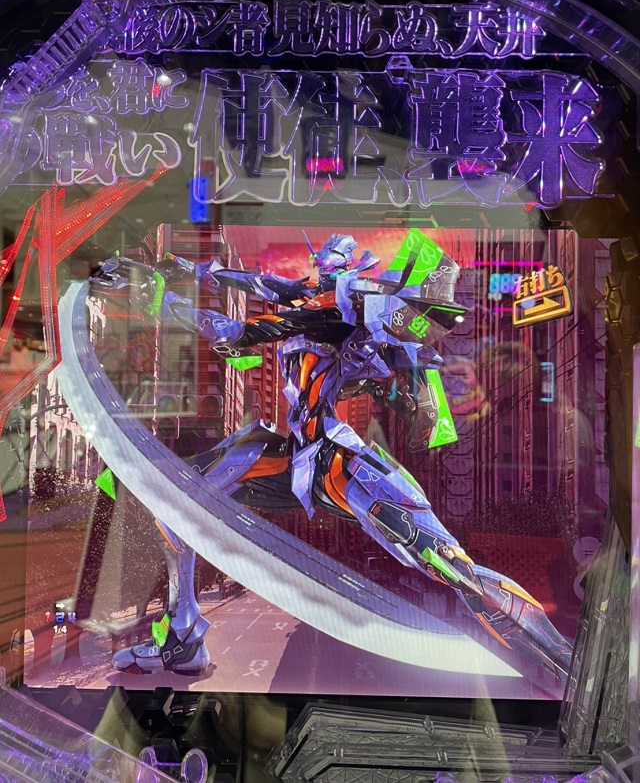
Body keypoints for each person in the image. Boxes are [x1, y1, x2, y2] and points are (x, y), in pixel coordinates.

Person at [92, 230, 572, 678]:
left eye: (333, 268)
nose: (321, 275)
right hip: (292, 457)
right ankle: (183, 638)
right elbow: (259, 283)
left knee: (446, 562)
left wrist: (161, 297)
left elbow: (240, 333)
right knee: (176, 500)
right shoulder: (316, 301)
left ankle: (558, 663)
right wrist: (189, 270)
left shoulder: (344, 309)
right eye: (321, 267)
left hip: (339, 462)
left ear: (350, 269)